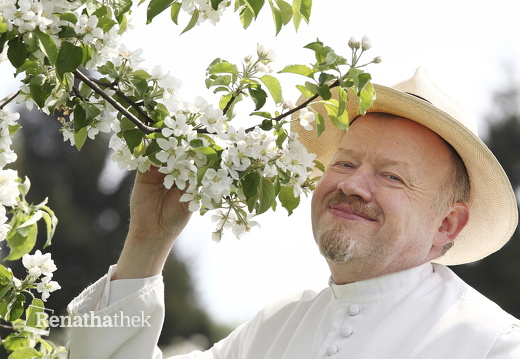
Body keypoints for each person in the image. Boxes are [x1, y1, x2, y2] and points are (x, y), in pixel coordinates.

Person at [66, 68, 520, 358]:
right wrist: (149, 239)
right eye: (344, 162)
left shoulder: (493, 346)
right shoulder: (271, 329)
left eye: (392, 177)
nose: (350, 184)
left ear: (447, 225)